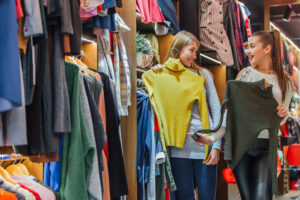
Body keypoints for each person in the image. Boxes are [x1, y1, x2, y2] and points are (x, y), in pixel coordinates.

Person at [196, 30, 294, 200]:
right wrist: (213, 139)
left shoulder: (285, 81)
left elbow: (282, 117)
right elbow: (230, 113)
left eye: (252, 46)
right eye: (248, 46)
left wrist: (283, 114)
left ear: (267, 48)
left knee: (261, 197)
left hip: (266, 146)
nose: (247, 51)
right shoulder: (245, 75)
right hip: (240, 147)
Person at [151, 31, 225, 200]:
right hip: (178, 150)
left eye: (196, 51)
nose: (194, 55)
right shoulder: (164, 74)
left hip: (204, 147)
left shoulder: (203, 75)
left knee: (207, 196)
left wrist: (216, 145)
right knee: (184, 196)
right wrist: (157, 73)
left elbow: (216, 109)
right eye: (191, 50)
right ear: (178, 49)